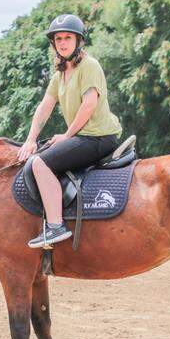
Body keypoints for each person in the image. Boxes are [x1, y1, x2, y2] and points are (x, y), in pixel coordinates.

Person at [16, 14, 123, 248]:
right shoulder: (60, 75)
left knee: (39, 164)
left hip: (98, 136)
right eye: (58, 38)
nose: (63, 42)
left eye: (68, 37)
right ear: (54, 43)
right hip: (82, 136)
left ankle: (55, 227)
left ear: (78, 41)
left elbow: (89, 105)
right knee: (37, 154)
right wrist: (30, 139)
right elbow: (44, 106)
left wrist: (67, 136)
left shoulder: (89, 66)